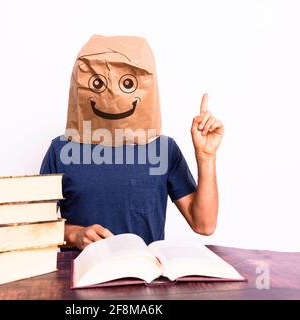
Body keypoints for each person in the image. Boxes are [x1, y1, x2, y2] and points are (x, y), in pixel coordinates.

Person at [40, 35, 224, 250]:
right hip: (80, 274)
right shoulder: (61, 150)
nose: (113, 95)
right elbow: (32, 228)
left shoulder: (163, 150)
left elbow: (204, 225)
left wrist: (206, 157)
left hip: (143, 276)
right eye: (97, 83)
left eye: (128, 83)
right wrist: (74, 234)